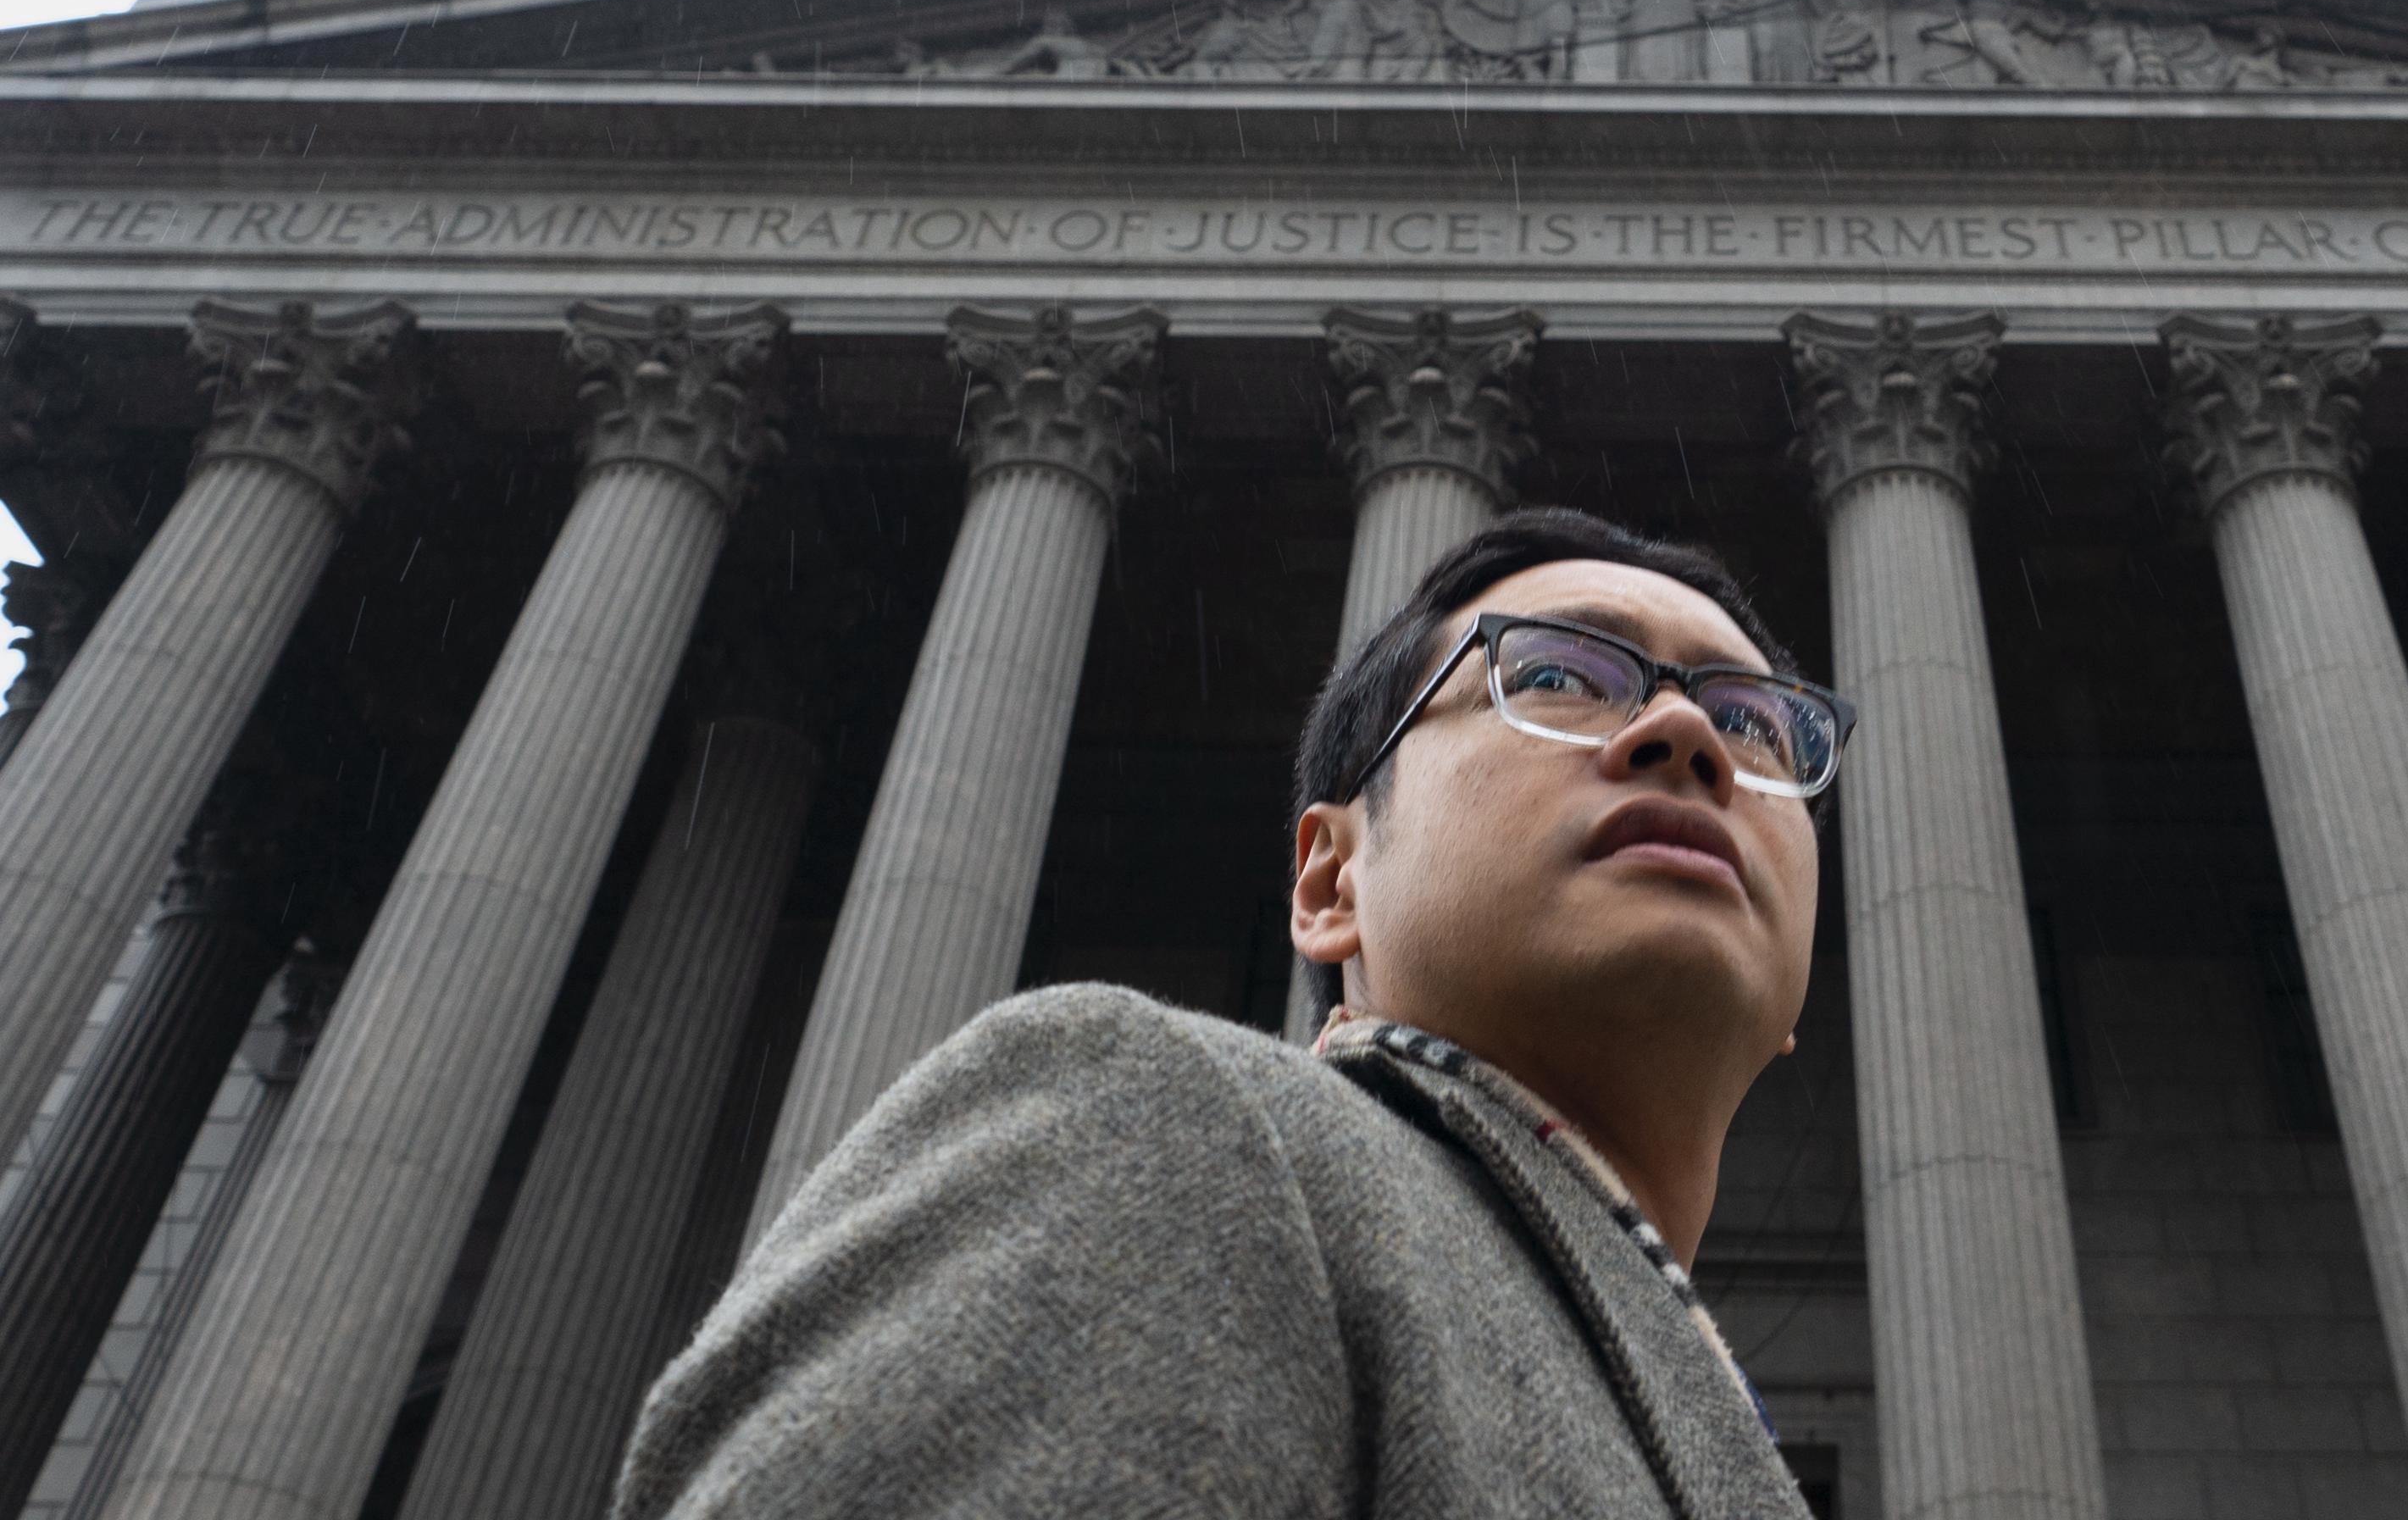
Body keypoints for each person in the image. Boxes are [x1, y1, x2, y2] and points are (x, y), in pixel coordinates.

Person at [613, 508, 1850, 1520]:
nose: (1687, 732)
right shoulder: (1154, 1131)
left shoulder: (1698, 1427)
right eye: (1558, 675)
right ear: (1328, 881)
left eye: (1754, 724)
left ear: (1795, 999)